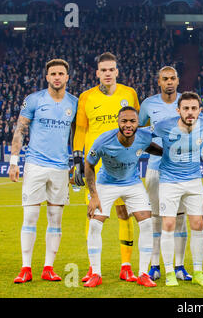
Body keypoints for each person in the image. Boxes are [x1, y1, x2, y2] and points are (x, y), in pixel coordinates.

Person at [73, 52, 140, 283]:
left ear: (117, 72)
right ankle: (93, 268)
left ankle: (126, 266)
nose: (108, 73)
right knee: (92, 214)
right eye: (104, 70)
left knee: (124, 213)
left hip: (122, 165)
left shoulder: (129, 93)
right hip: (95, 166)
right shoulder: (86, 97)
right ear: (97, 73)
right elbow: (81, 130)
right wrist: (77, 160)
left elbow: (137, 124)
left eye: (112, 69)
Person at [154, 91, 203, 287]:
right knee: (169, 225)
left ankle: (197, 271)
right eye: (186, 108)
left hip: (194, 181)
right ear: (178, 110)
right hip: (169, 181)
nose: (190, 112)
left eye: (193, 108)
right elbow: (142, 138)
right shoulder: (163, 126)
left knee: (198, 225)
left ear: (200, 110)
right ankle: (170, 273)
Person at [10, 59, 78, 283]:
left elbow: (78, 133)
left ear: (67, 77)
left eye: (61, 73)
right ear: (47, 77)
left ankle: (48, 267)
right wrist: (13, 161)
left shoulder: (74, 103)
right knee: (30, 216)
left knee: (55, 218)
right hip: (35, 164)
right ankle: (25, 268)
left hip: (60, 167)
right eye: (53, 73)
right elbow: (20, 129)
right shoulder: (34, 99)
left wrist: (77, 162)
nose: (57, 77)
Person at [83, 106, 162, 288]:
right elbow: (89, 165)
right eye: (124, 121)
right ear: (118, 122)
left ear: (137, 123)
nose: (128, 125)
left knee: (147, 223)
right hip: (106, 183)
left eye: (132, 121)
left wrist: (169, 155)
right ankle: (95, 273)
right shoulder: (103, 141)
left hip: (132, 184)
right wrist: (94, 195)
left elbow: (153, 147)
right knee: (94, 224)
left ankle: (143, 273)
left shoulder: (144, 136)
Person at [139, 66, 191, 281]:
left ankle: (179, 266)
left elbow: (201, 127)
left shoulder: (187, 102)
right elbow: (139, 131)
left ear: (178, 81)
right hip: (155, 167)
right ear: (158, 81)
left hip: (181, 169)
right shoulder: (148, 104)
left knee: (179, 219)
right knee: (155, 219)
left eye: (172, 78)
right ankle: (154, 265)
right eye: (165, 79)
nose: (169, 82)